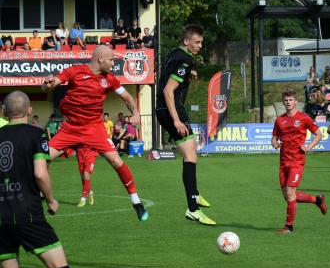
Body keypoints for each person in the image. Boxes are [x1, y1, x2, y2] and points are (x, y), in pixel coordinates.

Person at [41, 45, 148, 221]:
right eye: (111, 59)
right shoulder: (75, 71)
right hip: (71, 128)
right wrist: (47, 84)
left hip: (94, 128)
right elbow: (49, 86)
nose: (113, 63)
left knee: (116, 160)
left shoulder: (110, 79)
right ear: (100, 58)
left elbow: (128, 98)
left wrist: (135, 113)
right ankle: (42, 195)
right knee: (41, 159)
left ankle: (136, 202)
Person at [0, 91, 70, 268]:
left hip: (1, 215)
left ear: (4, 111)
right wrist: (50, 201)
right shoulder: (35, 134)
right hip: (26, 212)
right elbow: (41, 174)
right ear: (30, 111)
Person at [156, 25, 215, 225]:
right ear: (186, 41)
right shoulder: (186, 59)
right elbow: (168, 90)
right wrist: (176, 120)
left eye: (201, 42)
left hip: (164, 109)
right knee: (190, 156)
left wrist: (189, 74)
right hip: (171, 109)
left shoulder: (175, 55)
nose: (200, 46)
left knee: (192, 152)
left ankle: (195, 194)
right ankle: (193, 209)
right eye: (197, 42)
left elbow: (170, 76)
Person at [271, 90, 326, 234]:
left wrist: (309, 146)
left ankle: (289, 226)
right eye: (286, 100)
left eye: (291, 100)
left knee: (290, 193)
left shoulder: (303, 118)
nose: (288, 102)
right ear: (284, 102)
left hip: (297, 161)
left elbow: (318, 134)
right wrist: (275, 143)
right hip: (283, 161)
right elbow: (274, 138)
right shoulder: (279, 120)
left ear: (296, 102)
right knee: (288, 196)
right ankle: (318, 200)